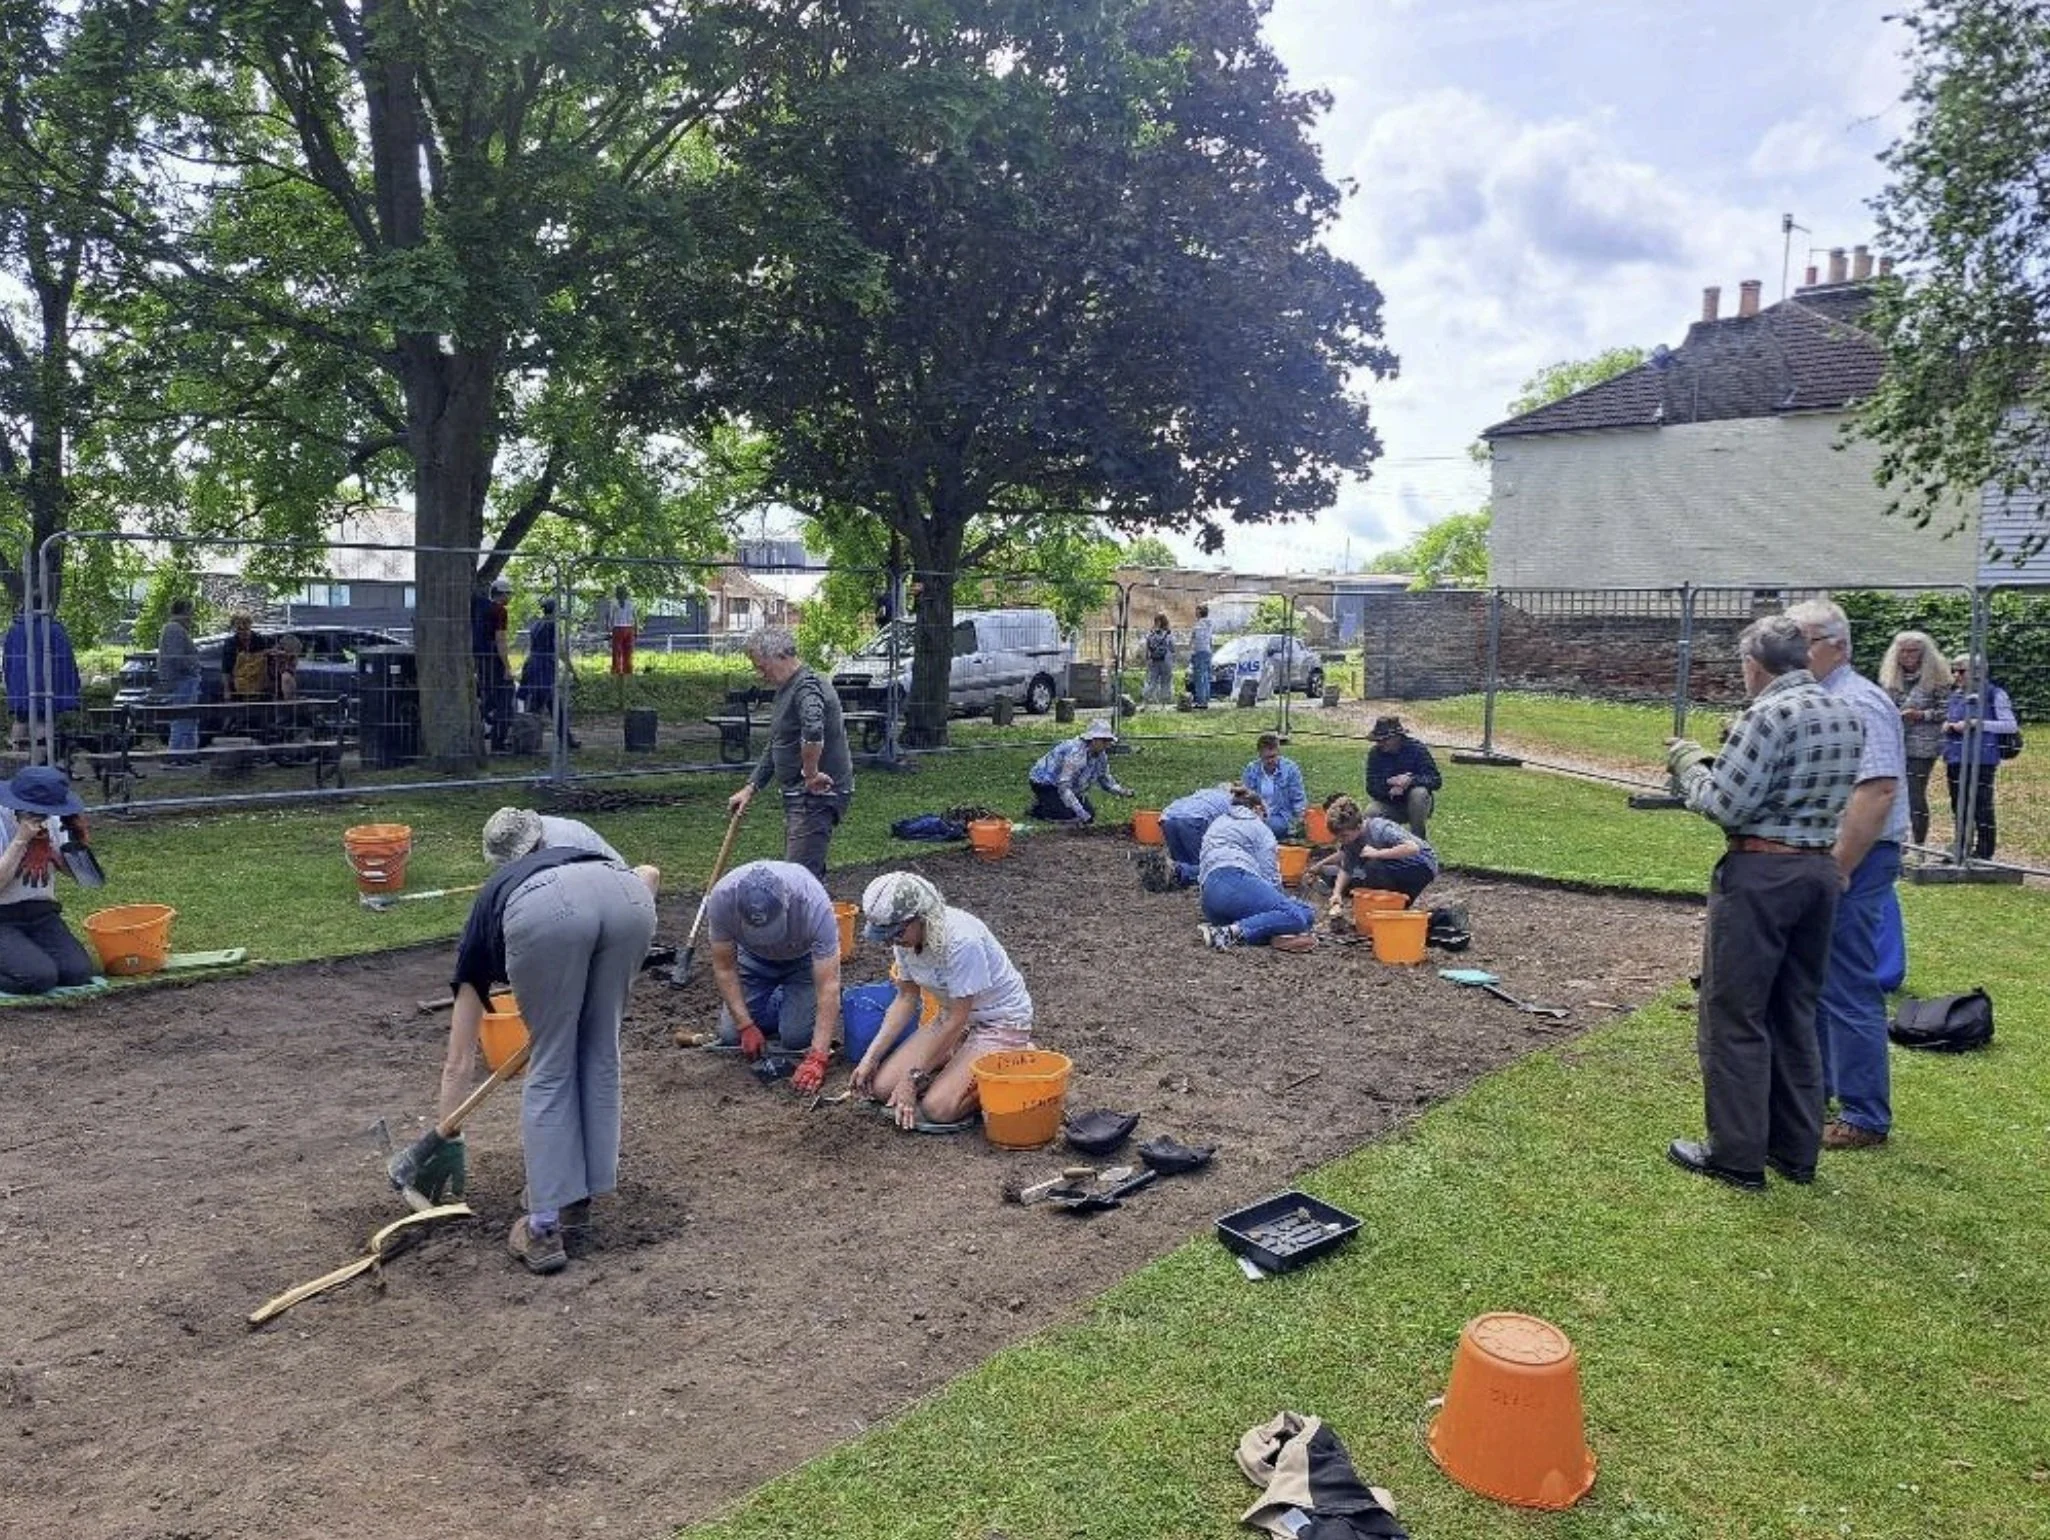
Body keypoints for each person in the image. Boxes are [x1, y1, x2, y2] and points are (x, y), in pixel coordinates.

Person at [1662, 613, 1864, 1191]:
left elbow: (1726, 805)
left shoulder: (1767, 714)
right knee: (1795, 1011)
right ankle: (1795, 1150)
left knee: (1734, 1015)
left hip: (1761, 874)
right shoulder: (1844, 710)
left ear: (1753, 665)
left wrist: (1688, 764)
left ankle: (1736, 1155)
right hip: (1818, 871)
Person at [440, 809, 660, 1274]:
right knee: (599, 1053)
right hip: (629, 899)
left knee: (552, 1063)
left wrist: (447, 1131)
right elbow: (647, 878)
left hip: (553, 917)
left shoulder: (496, 899)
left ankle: (542, 1227)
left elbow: (460, 1058)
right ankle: (577, 1201)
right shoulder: (581, 842)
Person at [1788, 598, 1908, 1154]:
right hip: (1832, 857)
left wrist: (1839, 868)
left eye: (1803, 641)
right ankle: (1816, 1093)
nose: (1793, 653)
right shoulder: (1820, 698)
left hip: (1856, 859)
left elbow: (1878, 791)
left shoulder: (1861, 701)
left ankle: (1863, 1116)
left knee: (1846, 983)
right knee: (1815, 979)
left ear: (1838, 645)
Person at [851, 872, 1035, 1131]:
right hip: (952, 1018)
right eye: (886, 935)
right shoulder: (904, 940)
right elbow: (906, 998)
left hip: (999, 1022)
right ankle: (959, 1056)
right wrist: (870, 1057)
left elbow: (957, 1019)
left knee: (938, 1109)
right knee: (882, 1088)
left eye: (897, 932)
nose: (892, 941)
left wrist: (911, 1079)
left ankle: (1016, 1059)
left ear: (921, 916)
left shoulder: (961, 941)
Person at [702, 860, 844, 1097]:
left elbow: (828, 985)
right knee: (730, 1036)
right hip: (753, 960)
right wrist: (745, 1025)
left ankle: (786, 1000)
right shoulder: (721, 899)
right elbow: (725, 967)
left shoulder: (813, 903)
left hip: (803, 962)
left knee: (796, 1039)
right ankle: (779, 1005)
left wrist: (818, 1056)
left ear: (787, 905)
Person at [726, 625, 853, 879]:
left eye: (763, 667)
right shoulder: (789, 688)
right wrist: (751, 787)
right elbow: (778, 741)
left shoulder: (807, 687)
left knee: (799, 879)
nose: (760, 675)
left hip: (816, 795)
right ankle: (811, 913)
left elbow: (814, 729)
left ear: (781, 655)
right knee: (803, 873)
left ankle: (810, 917)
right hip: (802, 795)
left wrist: (811, 773)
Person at [0, 766, 98, 995]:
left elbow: (88, 880)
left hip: (40, 913)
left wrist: (79, 846)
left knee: (77, 973)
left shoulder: (53, 818)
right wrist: (21, 841)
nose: (45, 815)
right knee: (37, 978)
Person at [1195, 787, 1316, 951]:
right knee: (1295, 916)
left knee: (1306, 912)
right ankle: (1227, 933)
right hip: (1235, 879)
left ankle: (1273, 934)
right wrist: (1282, 901)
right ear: (1258, 809)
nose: (1266, 820)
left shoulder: (1218, 822)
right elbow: (1270, 875)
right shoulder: (1259, 827)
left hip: (1210, 898)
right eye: (1265, 815)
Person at [1942, 652, 2019, 862]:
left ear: (1978, 673)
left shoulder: (1995, 694)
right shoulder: (1956, 694)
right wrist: (1948, 726)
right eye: (1954, 671)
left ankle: (1984, 851)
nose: (1956, 675)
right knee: (1958, 804)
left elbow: (2010, 724)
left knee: (1981, 804)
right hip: (1956, 756)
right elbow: (1951, 718)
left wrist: (1978, 723)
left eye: (1961, 671)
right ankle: (1961, 846)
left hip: (1982, 758)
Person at [1879, 630, 1950, 846]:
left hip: (1923, 745)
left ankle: (1918, 843)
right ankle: (1896, 839)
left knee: (1915, 794)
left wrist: (1921, 715)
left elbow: (1947, 711)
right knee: (1892, 793)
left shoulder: (1937, 679)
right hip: (1894, 744)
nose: (1908, 655)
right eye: (1903, 651)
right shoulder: (1891, 679)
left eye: (1913, 651)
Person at [1315, 793, 1438, 915]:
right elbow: (1347, 868)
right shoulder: (1351, 841)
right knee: (1358, 876)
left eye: (1344, 836)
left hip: (1422, 864)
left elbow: (1412, 848)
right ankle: (1392, 903)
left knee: (1372, 867)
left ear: (1358, 826)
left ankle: (1391, 904)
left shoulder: (1379, 828)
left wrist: (1378, 853)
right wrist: (1337, 893)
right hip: (1393, 866)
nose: (1341, 840)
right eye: (1338, 837)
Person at [1026, 718, 1133, 824]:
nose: (1107, 744)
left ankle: (1049, 803)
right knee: (1070, 815)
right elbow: (1063, 787)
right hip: (1044, 782)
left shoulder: (1101, 755)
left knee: (1089, 813)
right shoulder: (1076, 754)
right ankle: (1038, 809)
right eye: (1104, 740)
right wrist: (1081, 813)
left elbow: (1105, 780)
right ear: (1093, 739)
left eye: (1109, 740)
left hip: (1068, 785)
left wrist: (1123, 792)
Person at [1138, 782, 1234, 890]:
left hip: (1168, 817)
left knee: (1183, 862)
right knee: (1205, 867)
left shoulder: (1203, 793)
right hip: (1193, 819)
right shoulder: (1230, 801)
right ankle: (1175, 871)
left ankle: (1169, 871)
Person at [1364, 716, 1442, 839]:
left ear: (1397, 737)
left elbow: (1435, 780)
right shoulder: (1375, 754)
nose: (1380, 743)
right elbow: (1371, 786)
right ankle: (1383, 846)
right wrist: (1389, 789)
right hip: (1390, 803)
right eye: (1378, 740)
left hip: (1417, 804)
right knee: (1371, 812)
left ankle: (1419, 840)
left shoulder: (1417, 749)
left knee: (1419, 793)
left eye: (1385, 740)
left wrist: (1410, 781)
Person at [517, 598, 580, 748]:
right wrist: (571, 670)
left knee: (536, 705)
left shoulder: (535, 625)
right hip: (544, 667)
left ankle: (526, 738)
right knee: (553, 704)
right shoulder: (553, 626)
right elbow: (560, 651)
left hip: (532, 665)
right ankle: (564, 739)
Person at [471, 575, 515, 753]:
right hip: (494, 659)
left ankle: (473, 724)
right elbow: (501, 640)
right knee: (505, 698)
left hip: (479, 659)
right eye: (508, 594)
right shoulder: (500, 611)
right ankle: (498, 742)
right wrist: (507, 666)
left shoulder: (479, 607)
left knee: (488, 698)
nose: (510, 598)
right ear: (501, 594)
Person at [157, 598, 203, 761]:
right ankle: (175, 755)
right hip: (182, 680)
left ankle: (189, 754)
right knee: (181, 717)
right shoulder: (174, 629)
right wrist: (192, 667)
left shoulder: (177, 629)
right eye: (190, 611)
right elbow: (176, 657)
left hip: (186, 679)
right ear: (184, 611)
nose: (192, 615)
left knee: (189, 718)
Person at [1243, 732, 1307, 839]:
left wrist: (1301, 817)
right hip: (1255, 814)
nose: (1270, 761)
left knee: (1269, 827)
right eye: (1266, 758)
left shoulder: (1290, 770)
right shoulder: (1251, 770)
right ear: (1259, 755)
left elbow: (1298, 797)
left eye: (1273, 756)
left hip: (1280, 815)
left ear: (1278, 752)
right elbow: (1245, 797)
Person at [219, 612, 273, 701]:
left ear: (250, 625)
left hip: (260, 687)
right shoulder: (230, 644)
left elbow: (271, 663)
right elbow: (226, 669)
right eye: (240, 628)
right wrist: (227, 690)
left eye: (246, 627)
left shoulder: (261, 640)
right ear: (235, 628)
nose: (243, 631)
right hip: (238, 688)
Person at [1142, 613, 1175, 707]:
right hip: (1166, 660)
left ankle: (1145, 702)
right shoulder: (1168, 633)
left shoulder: (1151, 634)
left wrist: (1147, 659)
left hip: (1154, 660)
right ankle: (1163, 705)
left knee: (1152, 681)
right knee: (1165, 682)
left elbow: (1147, 647)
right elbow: (1172, 648)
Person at [608, 584, 637, 677]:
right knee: (626, 650)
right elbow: (635, 617)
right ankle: (626, 670)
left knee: (618, 651)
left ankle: (618, 670)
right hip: (628, 628)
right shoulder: (631, 603)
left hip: (619, 628)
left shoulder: (614, 603)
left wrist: (609, 629)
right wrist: (636, 629)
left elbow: (611, 617)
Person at [1189, 604, 1214, 710]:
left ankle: (1201, 701)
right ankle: (1206, 698)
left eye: (1196, 611)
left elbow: (1197, 640)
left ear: (1199, 612)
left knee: (1199, 677)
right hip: (1208, 651)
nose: (1195, 613)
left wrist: (1192, 651)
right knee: (1206, 676)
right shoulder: (1210, 624)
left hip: (1199, 652)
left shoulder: (1199, 625)